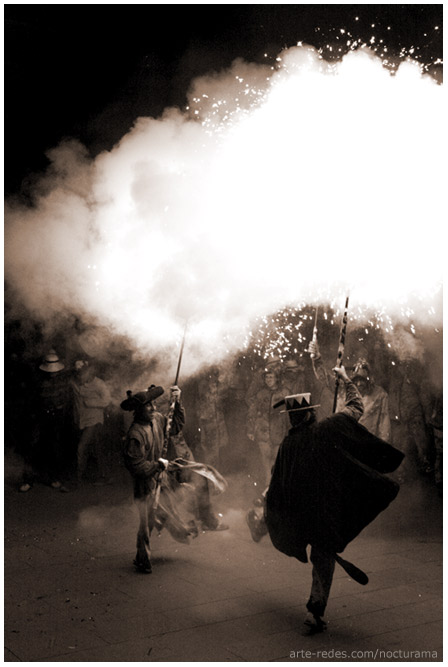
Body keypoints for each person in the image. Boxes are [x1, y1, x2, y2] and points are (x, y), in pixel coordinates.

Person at [247, 366, 404, 635]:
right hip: (324, 511)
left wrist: (267, 508)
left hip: (300, 514)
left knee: (321, 552)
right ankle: (315, 610)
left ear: (292, 419)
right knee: (323, 557)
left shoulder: (288, 445)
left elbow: (277, 483)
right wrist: (344, 379)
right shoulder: (328, 428)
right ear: (310, 413)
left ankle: (314, 608)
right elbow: (355, 407)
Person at [121, 384, 227, 574]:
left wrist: (177, 403)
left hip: (161, 477)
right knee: (147, 521)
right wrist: (156, 465)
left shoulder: (157, 419)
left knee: (167, 509)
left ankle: (184, 529)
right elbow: (135, 465)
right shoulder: (135, 434)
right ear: (138, 411)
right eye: (148, 406)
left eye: (153, 405)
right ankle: (142, 558)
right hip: (145, 484)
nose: (153, 409)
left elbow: (175, 427)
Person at [166, 385, 229, 532]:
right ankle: (185, 522)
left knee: (199, 480)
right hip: (172, 448)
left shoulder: (188, 391)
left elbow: (180, 421)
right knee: (177, 488)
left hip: (185, 441)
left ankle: (205, 519)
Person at [70, 360, 112, 484]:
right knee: (96, 447)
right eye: (77, 374)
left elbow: (107, 400)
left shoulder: (99, 384)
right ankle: (103, 476)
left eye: (82, 374)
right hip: (80, 420)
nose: (79, 377)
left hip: (94, 420)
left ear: (88, 372)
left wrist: (91, 403)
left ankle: (77, 478)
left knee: (81, 447)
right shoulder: (73, 383)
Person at [247, 367, 288, 486]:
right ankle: (268, 489)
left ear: (277, 378)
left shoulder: (285, 393)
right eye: (266, 377)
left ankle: (276, 489)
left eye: (271, 377)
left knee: (276, 462)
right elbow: (252, 412)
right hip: (262, 432)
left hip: (278, 432)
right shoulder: (261, 394)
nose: (268, 380)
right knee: (266, 464)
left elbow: (290, 414)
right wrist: (250, 430)